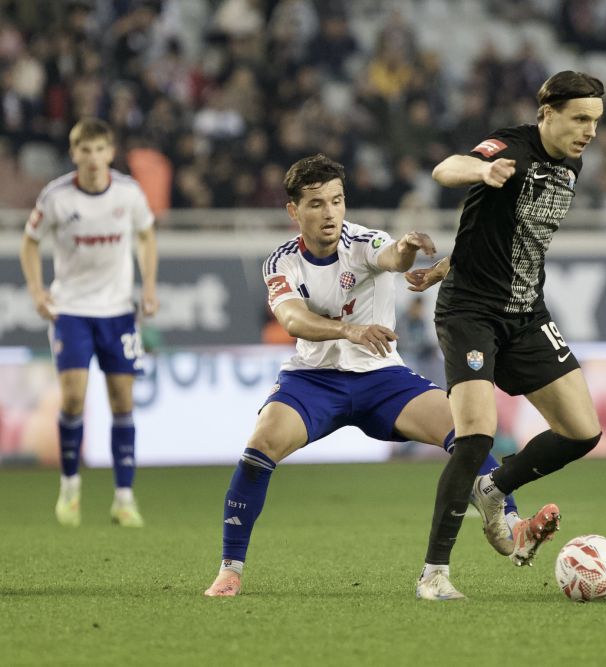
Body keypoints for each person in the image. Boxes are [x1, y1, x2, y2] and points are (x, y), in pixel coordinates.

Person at [203, 154, 536, 598]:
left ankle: (509, 522)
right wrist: (350, 330)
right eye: (317, 203)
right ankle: (230, 569)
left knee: (467, 431)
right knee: (259, 446)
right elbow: (292, 319)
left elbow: (392, 256)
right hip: (313, 380)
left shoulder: (362, 240)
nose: (330, 213)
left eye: (337, 200)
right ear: (294, 211)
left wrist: (407, 247)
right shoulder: (281, 262)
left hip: (382, 378)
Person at [405, 71, 605, 600]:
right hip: (470, 313)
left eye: (595, 121)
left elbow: (500, 236)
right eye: (580, 119)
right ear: (547, 114)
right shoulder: (511, 148)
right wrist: (483, 169)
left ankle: (493, 489)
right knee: (475, 437)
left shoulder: (572, 163)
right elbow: (446, 168)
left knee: (583, 431)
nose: (589, 131)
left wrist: (442, 267)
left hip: (526, 313)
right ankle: (434, 574)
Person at [19, 117, 159, 528]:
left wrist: (149, 285)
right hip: (71, 310)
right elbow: (29, 241)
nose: (93, 158)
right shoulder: (57, 197)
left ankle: (124, 498)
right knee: (73, 399)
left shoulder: (129, 193)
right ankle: (69, 488)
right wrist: (37, 291)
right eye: (85, 150)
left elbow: (147, 235)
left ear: (110, 152)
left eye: (100, 150)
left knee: (122, 401)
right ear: (74, 153)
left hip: (118, 311)